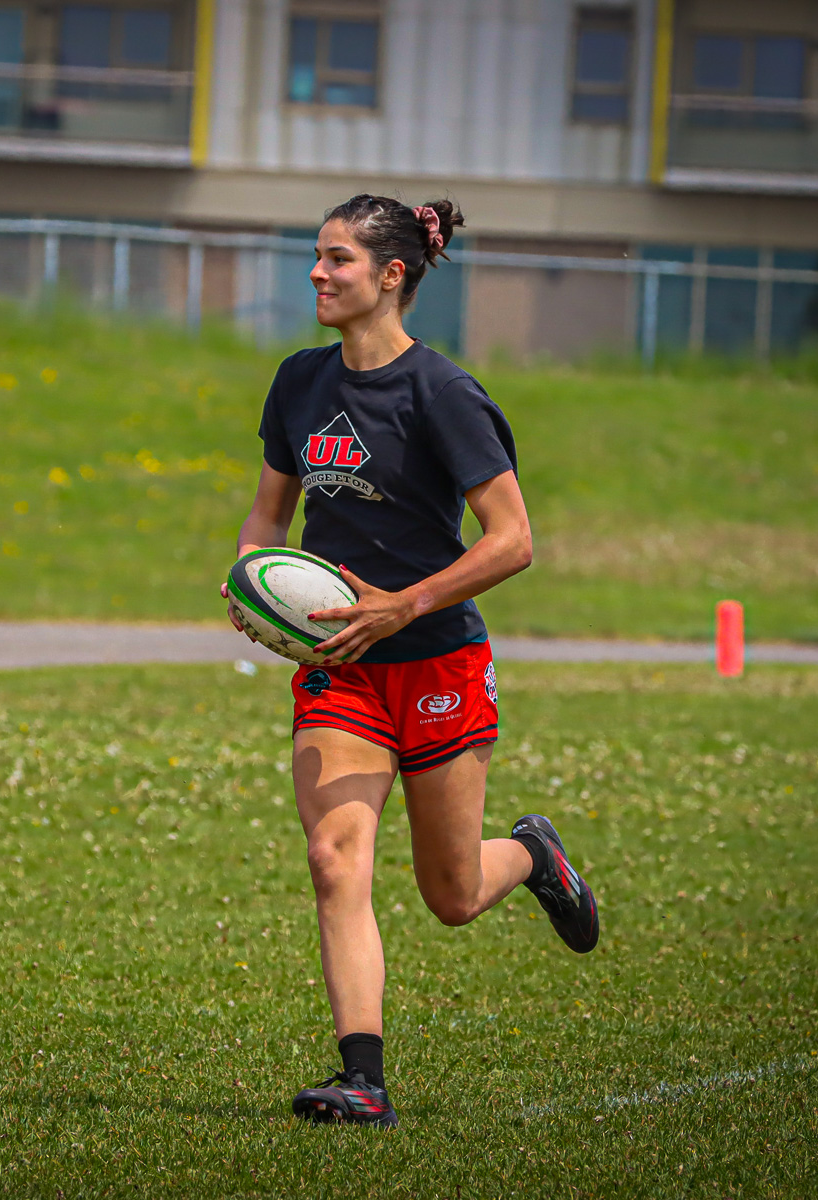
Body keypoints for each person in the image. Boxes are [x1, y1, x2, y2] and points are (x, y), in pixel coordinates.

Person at [223, 196, 598, 1129]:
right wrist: (248, 583)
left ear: (392, 276)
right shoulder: (298, 383)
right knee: (333, 858)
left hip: (436, 663)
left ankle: (535, 857)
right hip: (341, 670)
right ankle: (364, 1079)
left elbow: (511, 541)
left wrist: (406, 603)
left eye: (337, 259)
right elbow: (270, 516)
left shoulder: (444, 394)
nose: (317, 273)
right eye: (316, 256)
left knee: (453, 894)